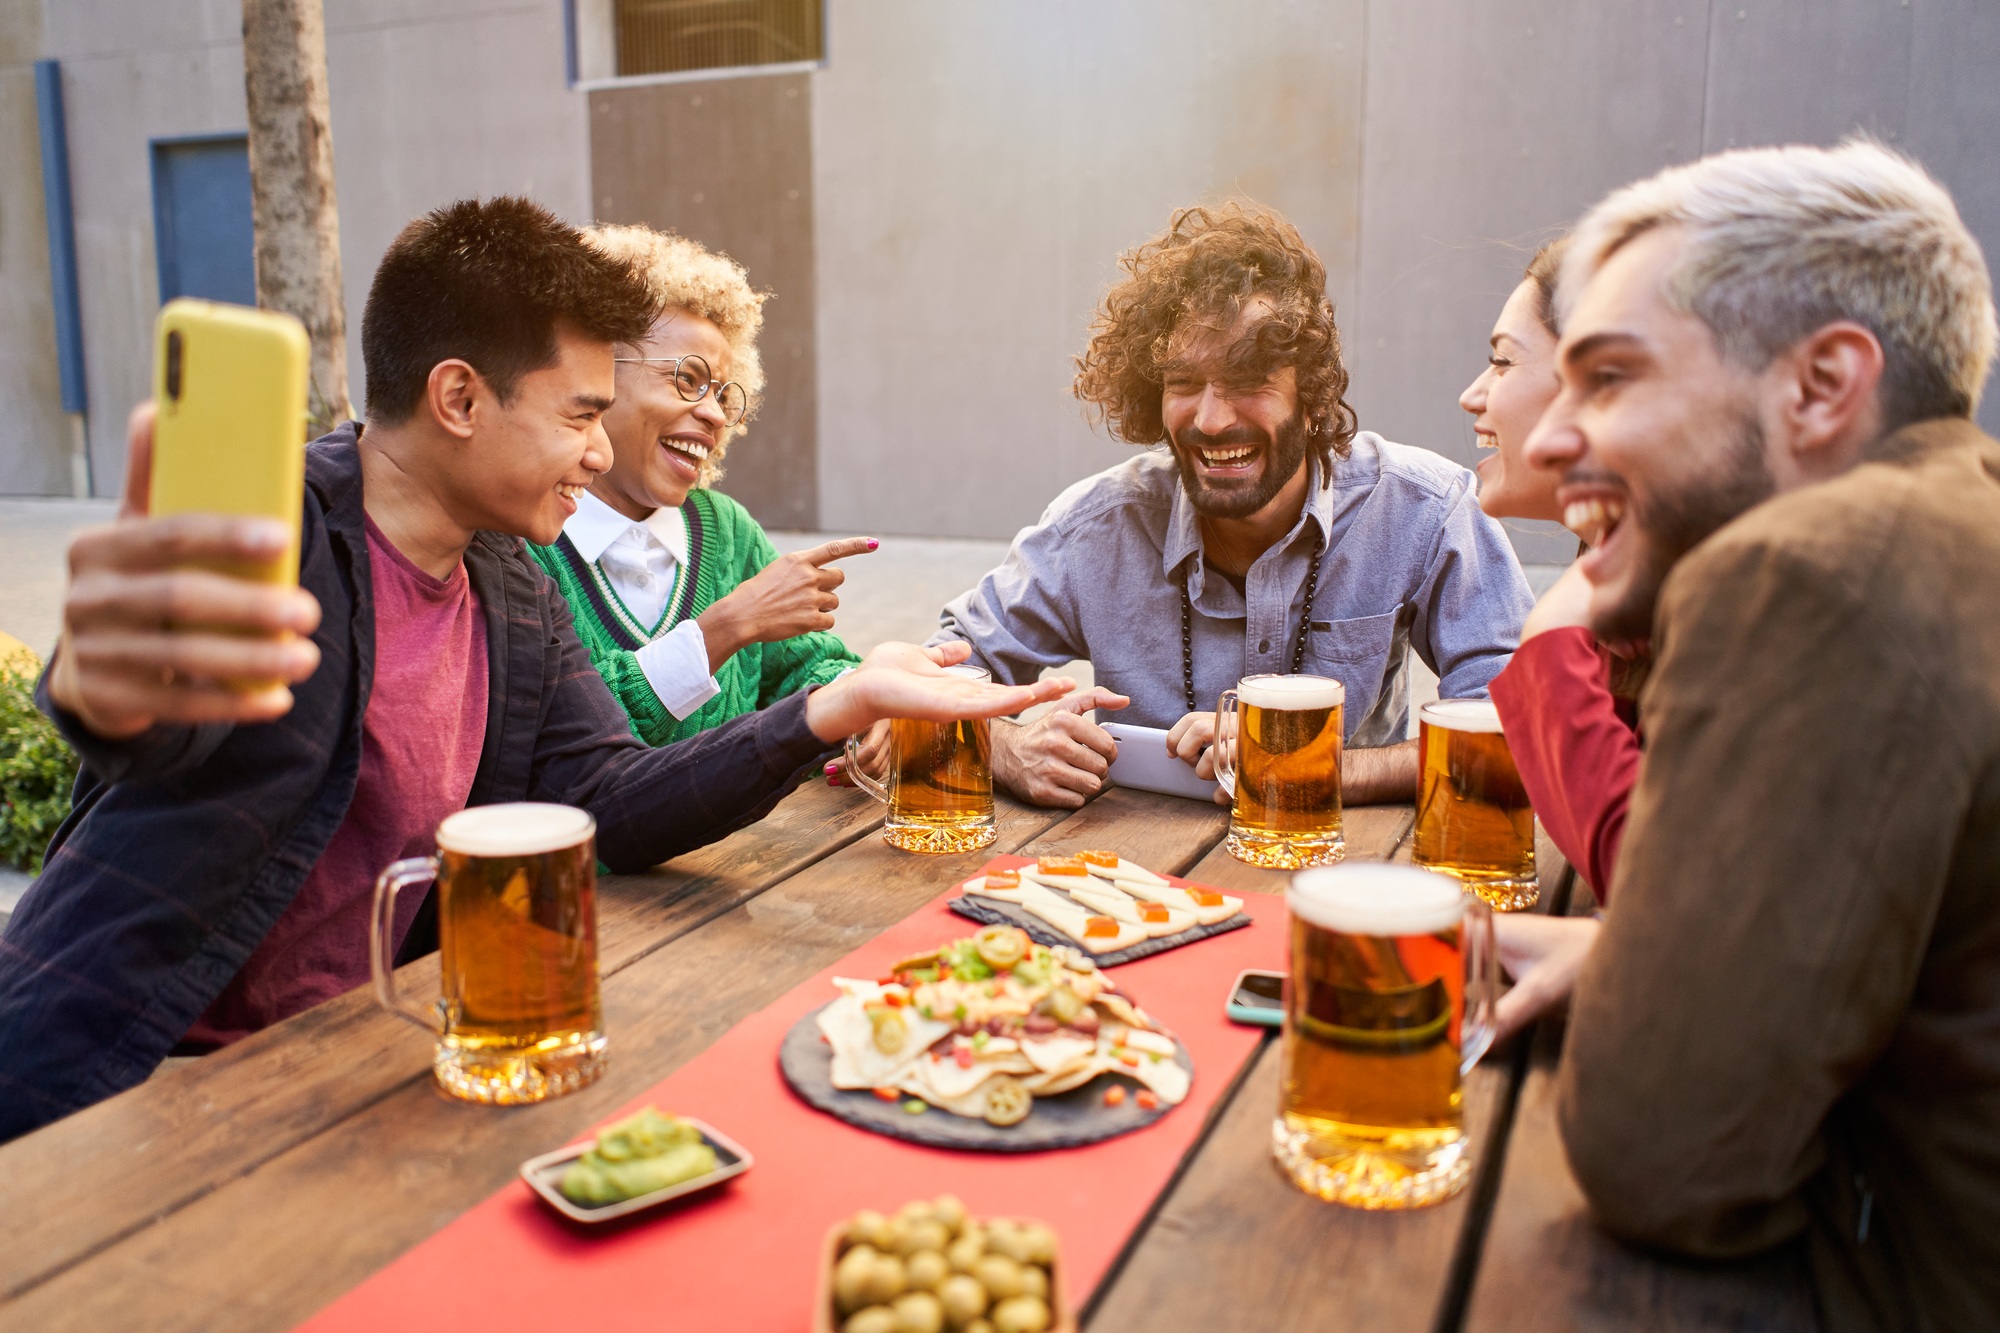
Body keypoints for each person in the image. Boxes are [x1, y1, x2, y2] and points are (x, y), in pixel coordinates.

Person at [0, 197, 1069, 1142]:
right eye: (580, 415)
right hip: (123, 1092)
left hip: (361, 1072)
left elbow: (607, 795)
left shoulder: (506, 575)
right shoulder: (277, 530)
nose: (601, 454)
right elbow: (152, 704)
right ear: (459, 399)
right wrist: (101, 690)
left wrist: (831, 706)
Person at [1523, 141, 2000, 1330]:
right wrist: (1629, 960)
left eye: (1610, 378)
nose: (1545, 438)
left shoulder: (1810, 573)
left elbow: (1663, 1159)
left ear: (1820, 385)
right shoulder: (1954, 521)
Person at [934, 202, 1534, 809]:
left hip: (1341, 867)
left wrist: (1311, 766)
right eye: (1184, 383)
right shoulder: (1097, 527)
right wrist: (1004, 746)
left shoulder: (1422, 508)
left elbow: (1520, 727)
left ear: (1312, 396)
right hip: (1139, 880)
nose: (1212, 419)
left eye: (1250, 382)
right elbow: (942, 669)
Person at [531, 225, 867, 747]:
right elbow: (567, 737)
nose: (713, 414)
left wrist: (857, 709)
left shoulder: (726, 528)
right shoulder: (525, 540)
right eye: (688, 380)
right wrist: (732, 623)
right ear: (598, 376)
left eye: (725, 395)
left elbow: (810, 670)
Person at [1461, 237, 1645, 901]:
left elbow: (1654, 876)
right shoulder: (1630, 594)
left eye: (1503, 363)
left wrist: (1549, 639)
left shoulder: (1732, 587)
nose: (1472, 395)